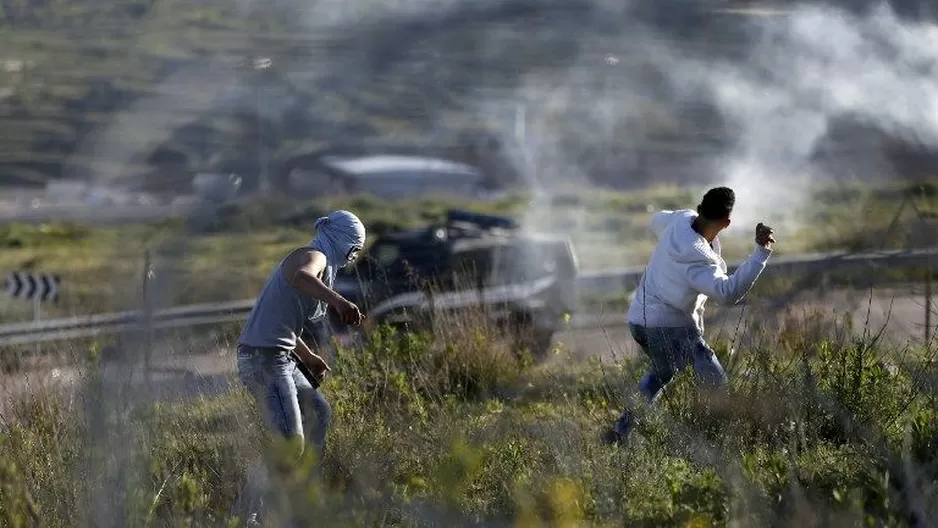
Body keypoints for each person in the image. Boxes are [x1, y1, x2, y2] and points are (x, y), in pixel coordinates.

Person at [607, 186, 775, 443]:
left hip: (638, 321)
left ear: (699, 209)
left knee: (662, 372)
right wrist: (760, 253)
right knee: (717, 383)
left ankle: (620, 432)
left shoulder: (679, 219)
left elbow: (656, 219)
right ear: (726, 223)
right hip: (669, 327)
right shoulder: (697, 259)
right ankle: (725, 442)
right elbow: (727, 293)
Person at [234, 209, 366, 524]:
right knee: (290, 445)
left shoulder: (320, 260)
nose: (352, 256)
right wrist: (339, 301)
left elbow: (281, 324)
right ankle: (247, 514)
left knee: (319, 413)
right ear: (342, 240)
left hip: (280, 356)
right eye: (354, 248)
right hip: (264, 360)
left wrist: (307, 357)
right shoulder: (315, 256)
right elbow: (300, 276)